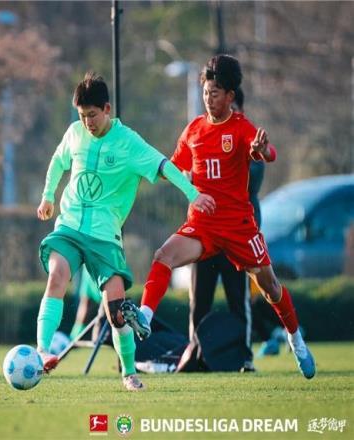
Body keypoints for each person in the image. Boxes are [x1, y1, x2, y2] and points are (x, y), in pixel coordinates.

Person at [123, 55, 316, 379]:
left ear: (230, 96)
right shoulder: (194, 130)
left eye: (215, 93)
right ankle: (144, 316)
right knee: (163, 256)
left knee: (270, 288)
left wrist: (262, 150)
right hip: (203, 226)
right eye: (205, 92)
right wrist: (145, 169)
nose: (208, 99)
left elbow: (266, 152)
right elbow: (174, 167)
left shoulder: (240, 127)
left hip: (239, 227)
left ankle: (296, 341)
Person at [35, 72, 215, 391]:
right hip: (69, 226)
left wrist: (193, 194)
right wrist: (48, 196)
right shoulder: (75, 133)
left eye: (92, 115)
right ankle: (42, 352)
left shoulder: (129, 142)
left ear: (107, 109)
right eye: (82, 115)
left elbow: (163, 166)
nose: (87, 122)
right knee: (57, 275)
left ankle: (129, 373)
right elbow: (58, 160)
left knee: (117, 312)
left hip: (105, 236)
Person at [179, 90, 265, 373]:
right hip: (205, 234)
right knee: (198, 299)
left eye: (233, 108)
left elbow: (248, 182)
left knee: (238, 300)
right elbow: (185, 170)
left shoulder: (248, 142)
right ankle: (195, 354)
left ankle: (245, 356)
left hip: (235, 236)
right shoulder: (201, 135)